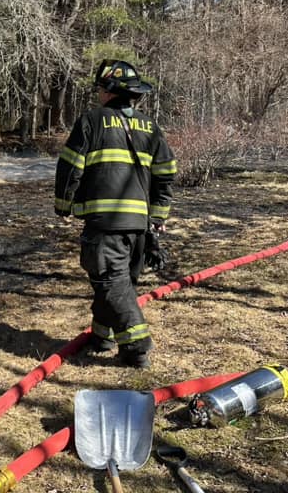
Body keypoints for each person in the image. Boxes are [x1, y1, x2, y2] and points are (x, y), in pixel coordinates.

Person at [54, 60, 176, 368]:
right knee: (119, 282)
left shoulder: (91, 121)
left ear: (109, 91)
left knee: (110, 281)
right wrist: (157, 218)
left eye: (99, 89)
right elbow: (166, 174)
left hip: (105, 223)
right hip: (139, 226)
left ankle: (136, 345)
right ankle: (102, 336)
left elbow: (70, 167)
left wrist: (63, 204)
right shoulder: (150, 127)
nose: (98, 94)